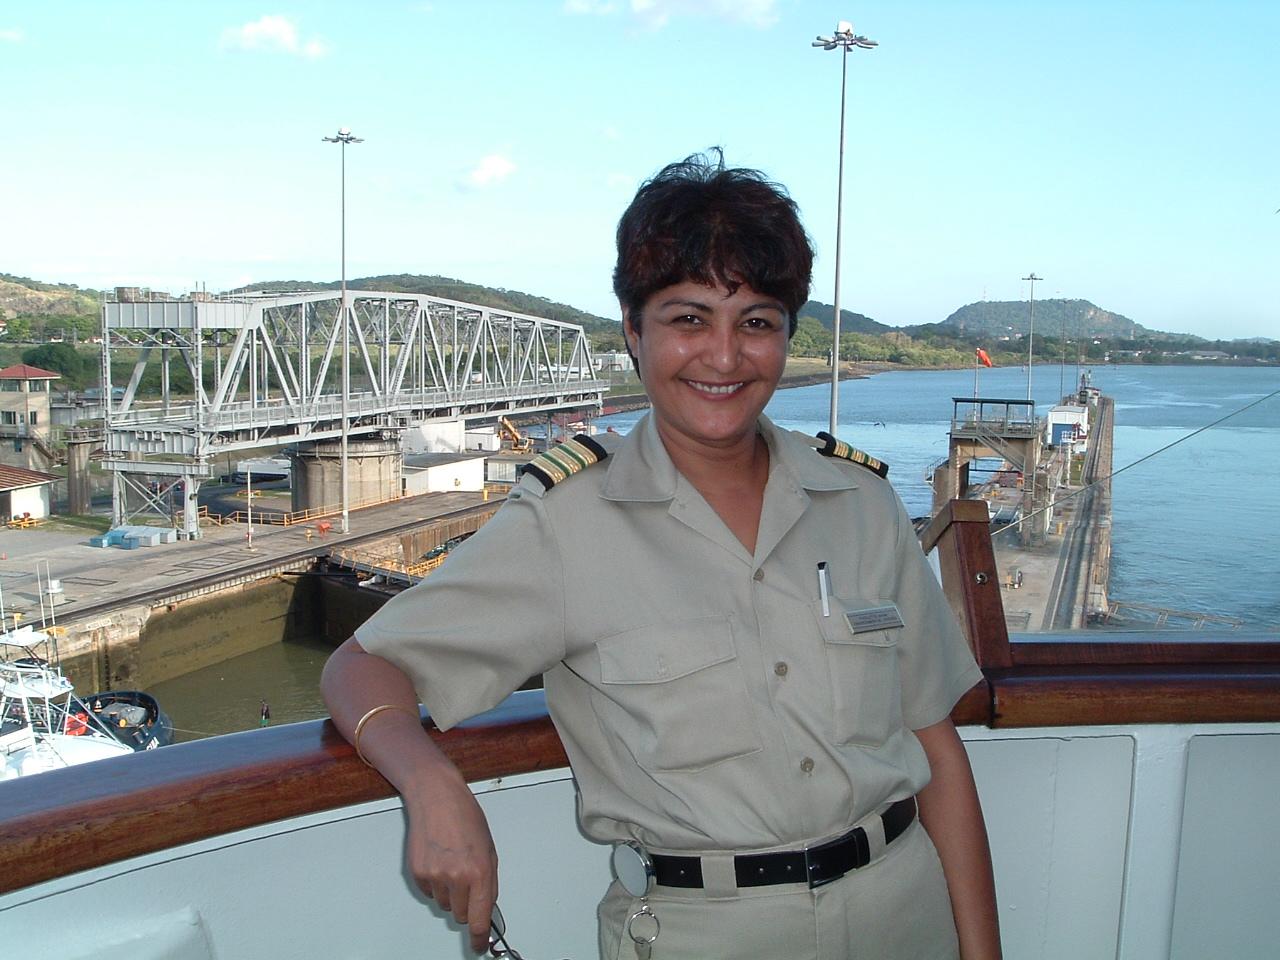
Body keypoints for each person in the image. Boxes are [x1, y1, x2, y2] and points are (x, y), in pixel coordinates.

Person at [321, 151, 1001, 959]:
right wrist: (431, 784)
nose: (723, 356)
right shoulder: (566, 523)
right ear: (633, 331)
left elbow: (935, 745)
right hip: (699, 931)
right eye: (687, 318)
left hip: (903, 907)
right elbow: (362, 664)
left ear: (787, 335)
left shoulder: (860, 504)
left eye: (756, 321)